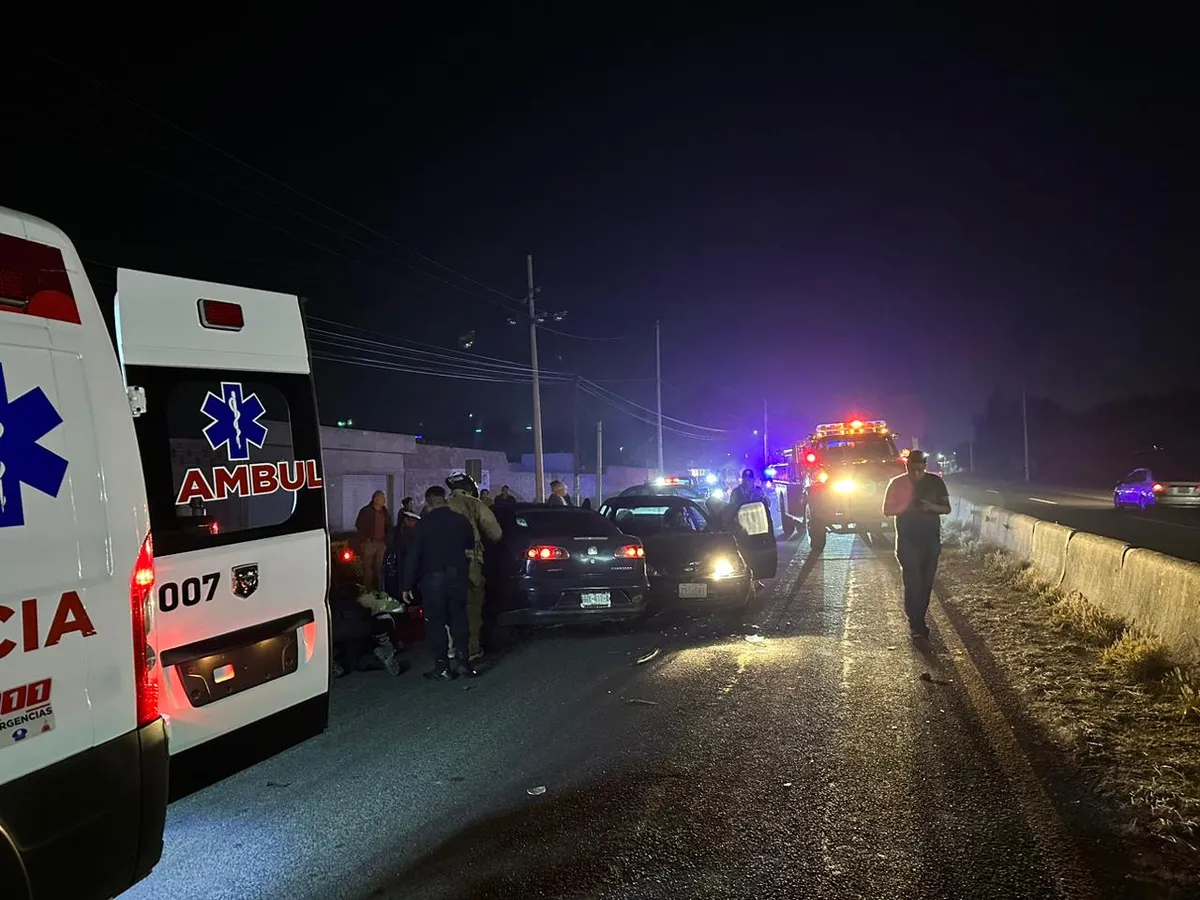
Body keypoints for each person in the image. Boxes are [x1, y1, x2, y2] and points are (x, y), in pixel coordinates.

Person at [403, 486, 479, 679]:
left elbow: (414, 556)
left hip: (433, 579)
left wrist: (407, 585)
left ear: (428, 502)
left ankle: (443, 667)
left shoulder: (423, 525)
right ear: (443, 499)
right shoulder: (460, 520)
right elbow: (470, 543)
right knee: (459, 619)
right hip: (458, 577)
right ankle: (465, 664)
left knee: (436, 624)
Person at [882, 450, 951, 639]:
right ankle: (916, 624)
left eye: (919, 470)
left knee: (926, 583)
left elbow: (947, 508)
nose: (915, 474)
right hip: (907, 540)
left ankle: (919, 618)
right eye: (911, 469)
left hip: (930, 541)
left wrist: (931, 507)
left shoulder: (935, 482)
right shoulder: (896, 483)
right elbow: (886, 510)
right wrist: (904, 506)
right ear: (906, 466)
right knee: (912, 582)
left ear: (925, 466)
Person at [445, 472, 503, 661]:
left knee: (449, 604)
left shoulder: (440, 505)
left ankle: (451, 646)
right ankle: (472, 649)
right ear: (470, 489)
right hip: (470, 561)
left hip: (442, 563)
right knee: (472, 604)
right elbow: (496, 533)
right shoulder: (474, 504)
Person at [353, 491, 391, 591]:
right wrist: (365, 539)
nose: (384, 500)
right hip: (369, 543)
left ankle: (380, 589)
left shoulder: (384, 512)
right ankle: (367, 589)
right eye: (382, 498)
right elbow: (359, 525)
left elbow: (388, 525)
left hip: (381, 543)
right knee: (368, 567)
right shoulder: (366, 511)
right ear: (376, 499)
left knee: (380, 567)